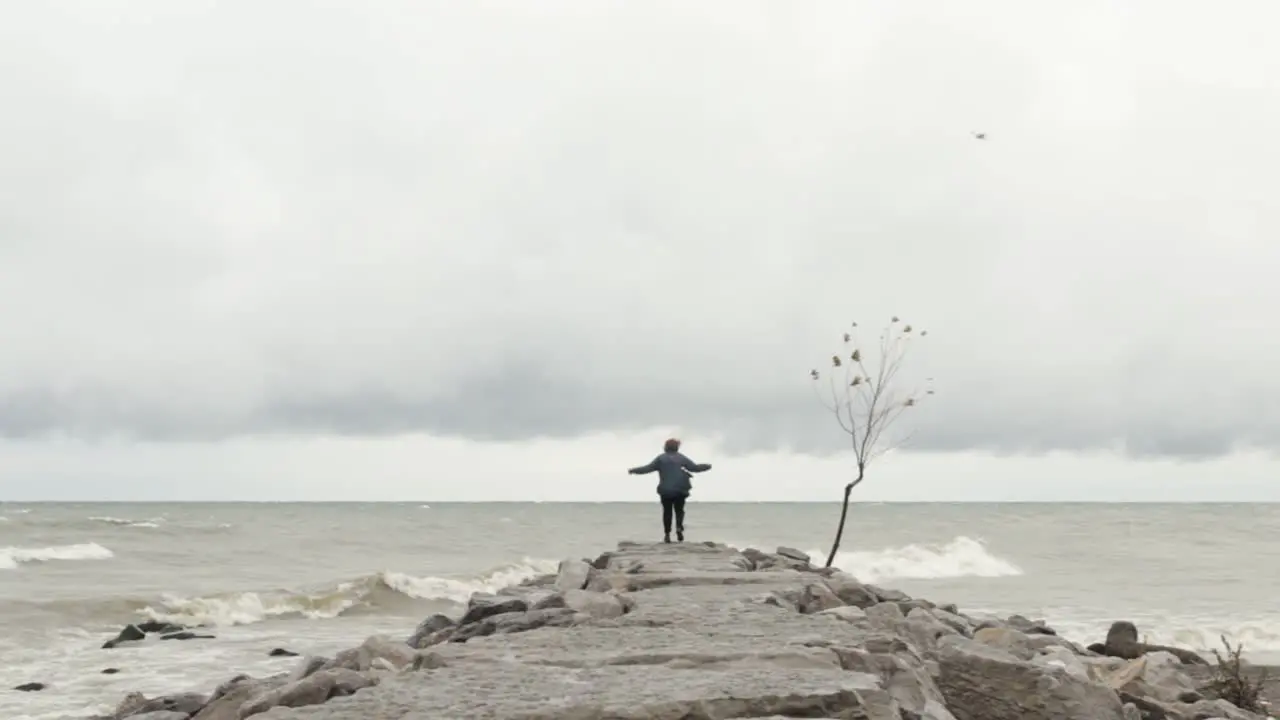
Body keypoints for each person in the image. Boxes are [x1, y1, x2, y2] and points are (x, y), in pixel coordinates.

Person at [627, 438, 712, 543]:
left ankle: (667, 534)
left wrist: (633, 470)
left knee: (667, 512)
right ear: (677, 447)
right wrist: (707, 466)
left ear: (665, 447)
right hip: (680, 490)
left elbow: (647, 469)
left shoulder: (661, 459)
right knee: (679, 510)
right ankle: (679, 527)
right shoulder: (681, 458)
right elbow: (694, 468)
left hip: (665, 490)